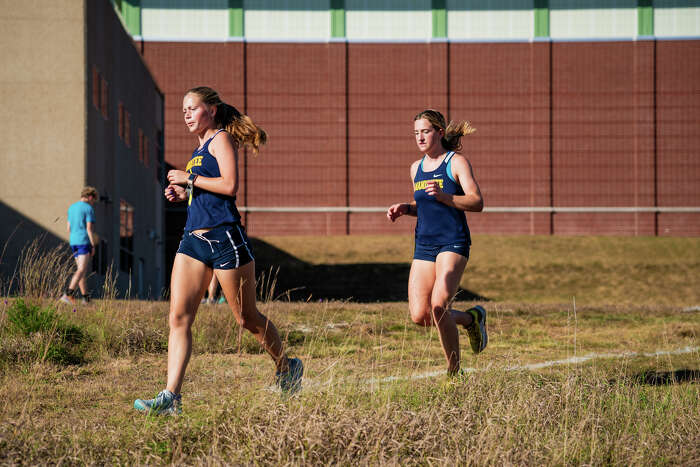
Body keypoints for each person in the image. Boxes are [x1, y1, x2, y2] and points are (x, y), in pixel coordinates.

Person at [134, 86, 303, 415]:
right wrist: (183, 194)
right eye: (183, 109)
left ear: (211, 110)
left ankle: (286, 366)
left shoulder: (221, 139)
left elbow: (229, 186)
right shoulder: (196, 152)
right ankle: (171, 398)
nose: (186, 114)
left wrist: (190, 180)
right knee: (179, 318)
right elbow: (205, 190)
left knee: (246, 318)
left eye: (192, 108)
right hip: (192, 241)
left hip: (225, 239)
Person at [387, 109, 488, 376]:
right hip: (424, 245)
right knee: (420, 316)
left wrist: (446, 197)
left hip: (452, 242)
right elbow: (426, 205)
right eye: (416, 133)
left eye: (425, 131)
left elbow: (476, 202)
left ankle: (454, 373)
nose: (420, 137)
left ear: (439, 133)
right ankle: (471, 319)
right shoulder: (415, 168)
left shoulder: (456, 163)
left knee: (439, 306)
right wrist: (405, 208)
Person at [59, 186, 98, 304]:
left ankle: (86, 298)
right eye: (94, 200)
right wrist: (92, 245)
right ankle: (67, 294)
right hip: (83, 241)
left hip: (73, 241)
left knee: (81, 271)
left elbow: (68, 228)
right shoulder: (88, 209)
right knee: (81, 269)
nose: (93, 202)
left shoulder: (71, 208)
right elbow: (89, 229)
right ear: (90, 197)